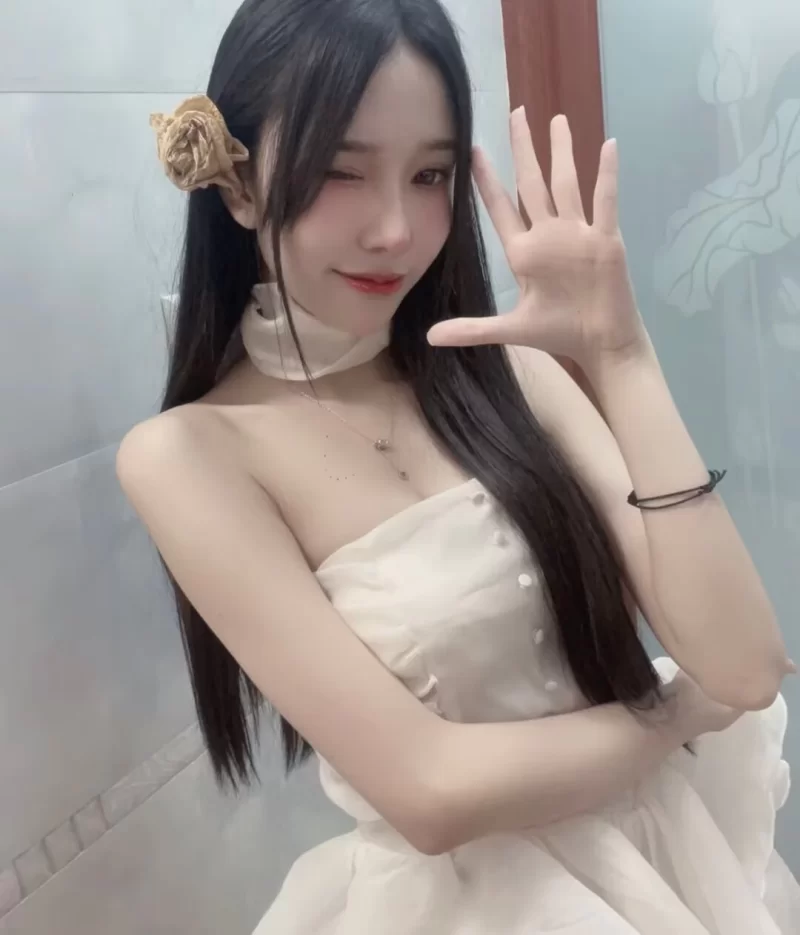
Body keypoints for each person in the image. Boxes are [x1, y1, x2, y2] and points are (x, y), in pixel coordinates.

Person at [117, 0, 800, 931]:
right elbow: (430, 791)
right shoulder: (191, 455)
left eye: (429, 174)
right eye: (340, 171)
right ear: (237, 186)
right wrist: (674, 712)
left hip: (670, 862)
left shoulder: (510, 375)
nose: (396, 229)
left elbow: (745, 667)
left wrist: (622, 354)